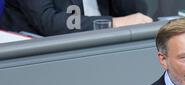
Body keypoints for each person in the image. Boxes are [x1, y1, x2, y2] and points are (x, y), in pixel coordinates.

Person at [0, 0, 152, 37]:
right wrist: (114, 23)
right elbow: (49, 21)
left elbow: (134, 12)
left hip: (104, 43)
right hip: (40, 59)